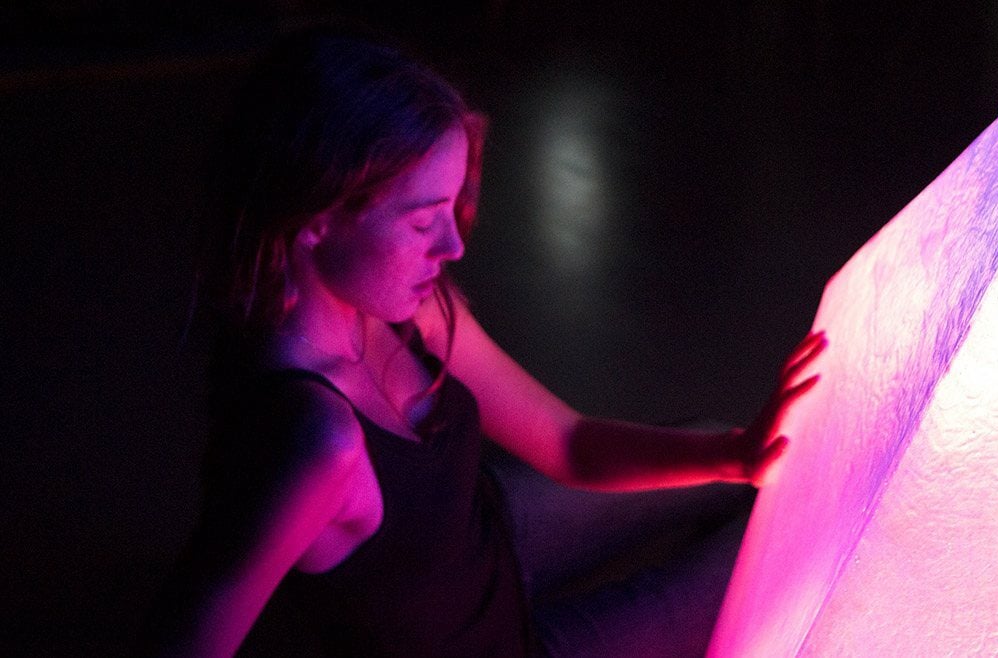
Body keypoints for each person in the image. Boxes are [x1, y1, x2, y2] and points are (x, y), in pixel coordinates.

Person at [142, 23, 825, 658]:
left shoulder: (411, 311)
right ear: (316, 220)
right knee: (790, 543)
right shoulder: (314, 439)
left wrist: (735, 455)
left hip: (494, 537)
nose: (454, 244)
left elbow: (567, 442)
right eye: (422, 222)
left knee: (735, 457)